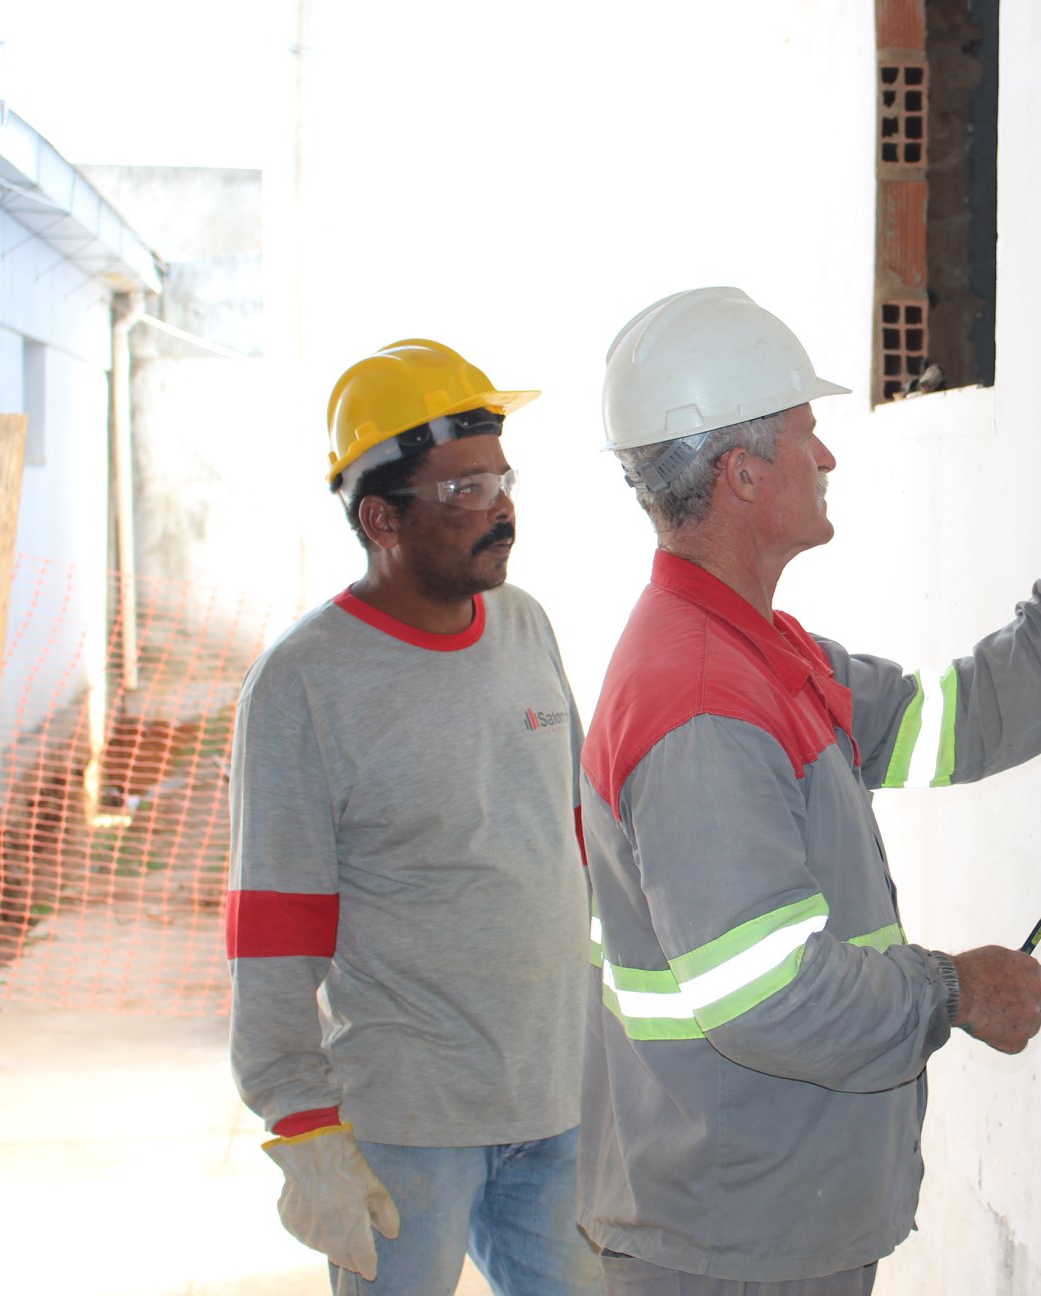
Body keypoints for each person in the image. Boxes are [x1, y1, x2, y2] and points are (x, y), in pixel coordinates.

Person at [578, 287, 1041, 1294]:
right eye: (804, 434)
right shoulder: (702, 703)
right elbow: (768, 995)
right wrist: (955, 990)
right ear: (743, 475)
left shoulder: (759, 656)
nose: (825, 456)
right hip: (730, 1246)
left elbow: (949, 721)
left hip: (759, 1219)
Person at [224, 339, 600, 1295]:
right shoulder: (305, 683)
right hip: (405, 1128)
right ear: (381, 518)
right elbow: (274, 924)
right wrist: (300, 1122)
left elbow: (577, 839)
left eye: (503, 479)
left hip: (556, 1105)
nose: (502, 508)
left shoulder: (526, 625)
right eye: (465, 489)